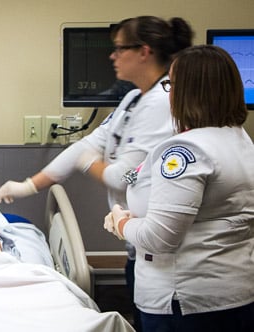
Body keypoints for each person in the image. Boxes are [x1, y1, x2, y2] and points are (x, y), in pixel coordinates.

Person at [0, 16, 193, 329]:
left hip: (165, 256)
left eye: (119, 49)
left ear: (144, 52)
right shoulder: (133, 98)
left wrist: (90, 162)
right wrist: (28, 186)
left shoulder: (162, 103)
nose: (112, 56)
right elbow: (86, 146)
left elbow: (123, 177)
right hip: (139, 249)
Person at [104, 45, 254, 332]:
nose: (168, 92)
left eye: (171, 84)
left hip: (186, 302)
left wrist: (121, 224)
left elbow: (159, 238)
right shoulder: (239, 140)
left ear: (189, 91)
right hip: (235, 294)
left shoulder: (185, 151)